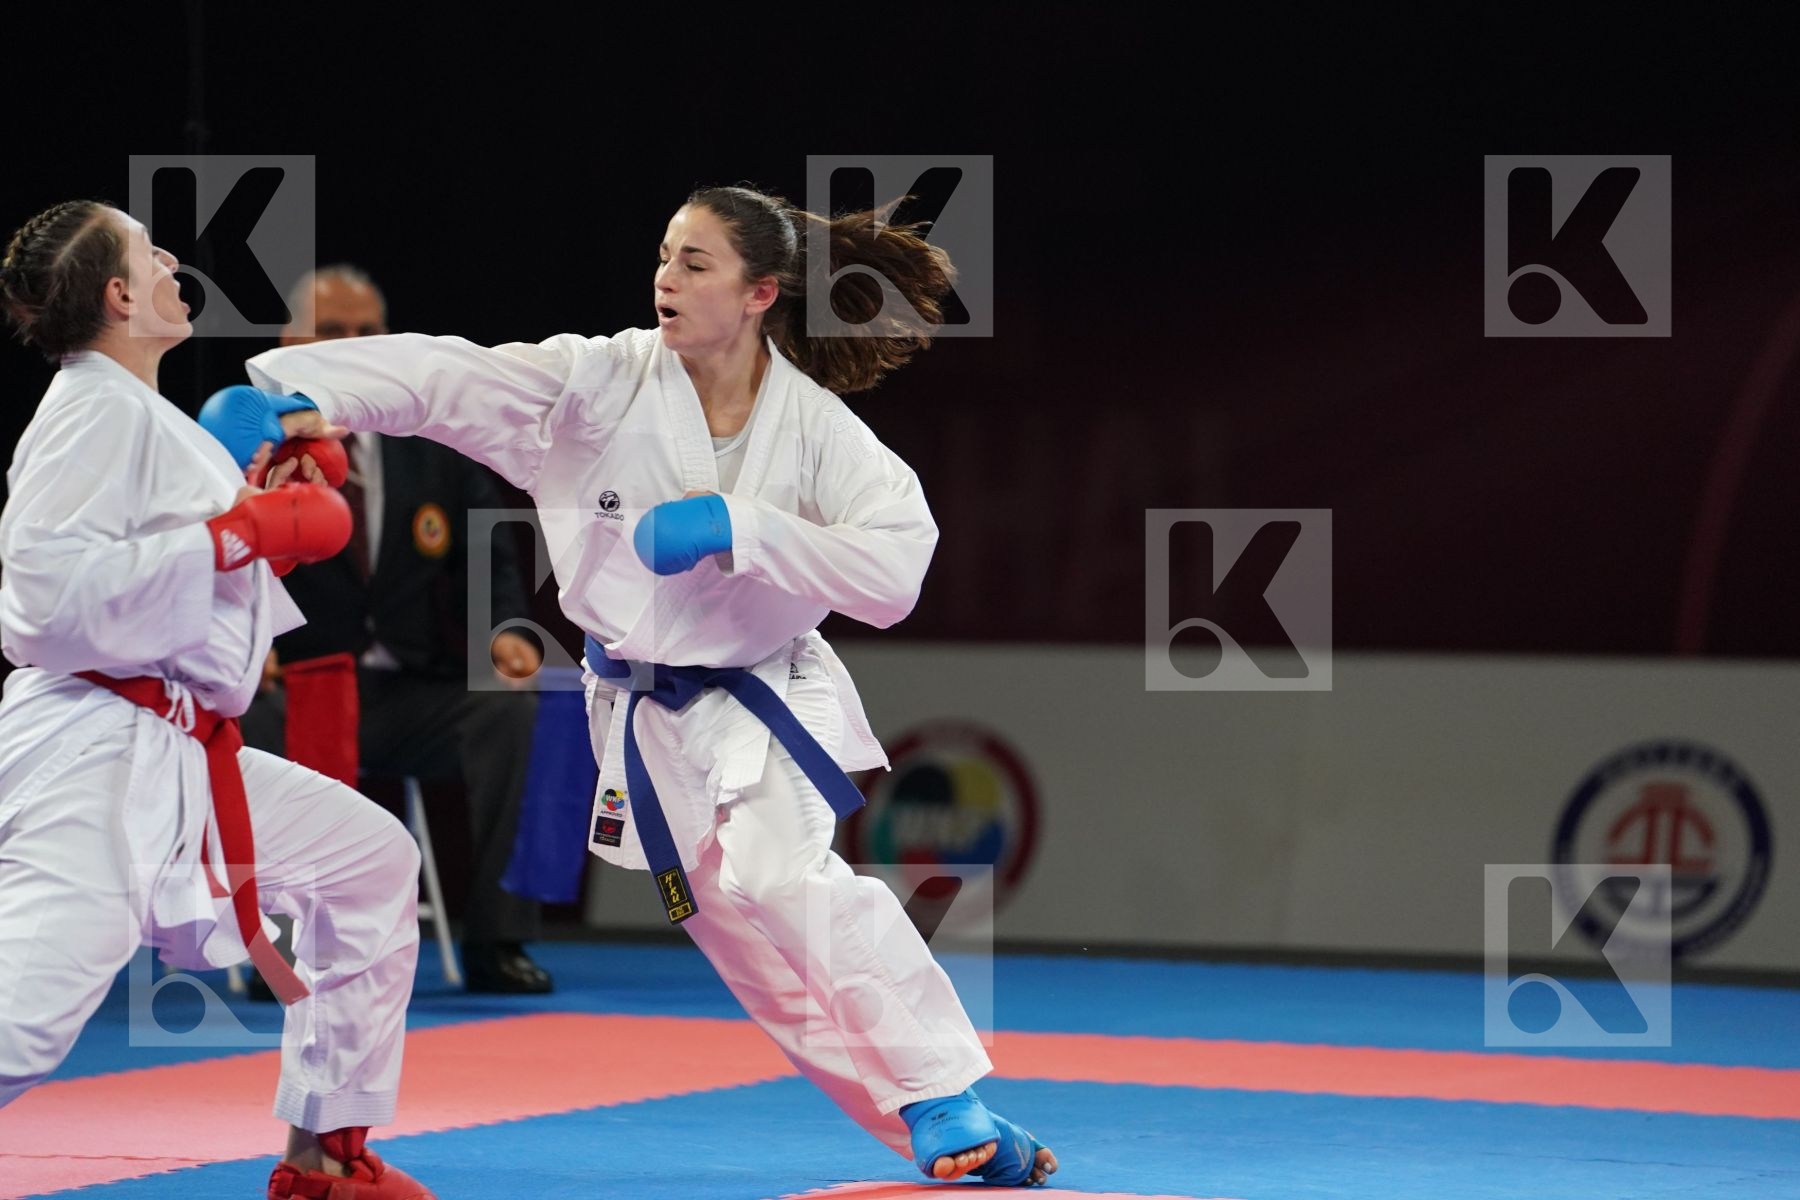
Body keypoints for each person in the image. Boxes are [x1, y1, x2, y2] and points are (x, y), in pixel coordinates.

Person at [222, 184, 1057, 1186]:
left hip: (767, 694)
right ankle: (956, 1139)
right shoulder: (596, 382)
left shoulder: (816, 429)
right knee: (757, 960)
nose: (666, 276)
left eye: (695, 262)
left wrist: (743, 530)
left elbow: (894, 573)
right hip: (639, 711)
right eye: (664, 255)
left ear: (760, 293)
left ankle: (941, 1093)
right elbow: (450, 377)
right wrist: (308, 394)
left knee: (776, 878)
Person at [0, 200, 435, 1200]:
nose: (168, 263)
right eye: (149, 254)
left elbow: (164, 562)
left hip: (180, 748)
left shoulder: (135, 412)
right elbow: (41, 600)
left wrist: (238, 491)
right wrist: (234, 532)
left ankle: (327, 1159)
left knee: (370, 866)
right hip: (97, 751)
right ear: (117, 295)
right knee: (26, 1016)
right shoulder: (92, 409)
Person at [236, 265, 553, 996]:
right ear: (290, 345)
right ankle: (277, 944)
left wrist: (509, 634)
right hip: (299, 688)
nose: (353, 348)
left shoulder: (428, 444)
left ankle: (496, 940)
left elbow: (490, 554)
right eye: (332, 334)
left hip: (410, 696)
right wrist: (251, 649)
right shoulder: (249, 446)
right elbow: (216, 561)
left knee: (507, 711)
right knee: (246, 709)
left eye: (367, 335)